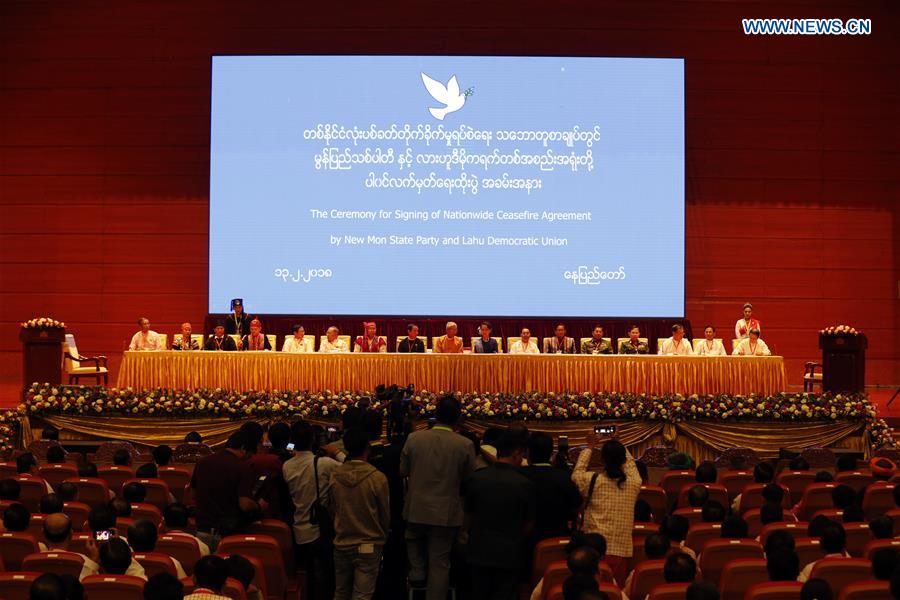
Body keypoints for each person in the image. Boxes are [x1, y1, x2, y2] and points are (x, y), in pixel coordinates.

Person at [400, 395, 475, 600]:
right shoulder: (464, 444)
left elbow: (402, 470)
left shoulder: (414, 438)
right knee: (440, 565)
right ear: (458, 417)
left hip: (416, 509)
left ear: (435, 414)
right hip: (445, 514)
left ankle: (417, 574)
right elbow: (469, 477)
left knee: (413, 543)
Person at [464, 430, 536, 600]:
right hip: (509, 554)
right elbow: (529, 523)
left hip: (478, 550)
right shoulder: (524, 483)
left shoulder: (477, 478)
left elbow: (467, 515)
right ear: (517, 453)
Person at [572, 434, 641, 585]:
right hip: (621, 551)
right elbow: (631, 466)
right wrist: (619, 442)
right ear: (623, 460)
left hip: (593, 550)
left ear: (602, 459)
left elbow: (576, 473)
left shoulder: (591, 480)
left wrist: (589, 447)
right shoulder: (635, 482)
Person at [329, 428, 390, 600]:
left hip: (342, 541)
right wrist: (382, 536)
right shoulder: (377, 478)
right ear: (368, 448)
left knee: (341, 592)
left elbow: (332, 509)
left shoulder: (335, 475)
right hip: (369, 544)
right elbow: (385, 515)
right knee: (362, 595)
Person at [283, 421, 341, 600]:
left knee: (307, 575)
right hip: (319, 529)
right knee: (322, 576)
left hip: (299, 528)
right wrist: (336, 452)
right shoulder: (324, 463)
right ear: (313, 440)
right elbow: (354, 469)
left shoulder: (287, 466)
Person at [190, 431, 258, 547]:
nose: (249, 458)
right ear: (243, 448)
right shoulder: (242, 466)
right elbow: (245, 504)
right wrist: (258, 506)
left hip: (203, 529)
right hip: (228, 532)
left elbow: (192, 493)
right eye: (249, 454)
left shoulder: (203, 462)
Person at [520, 432, 582, 543]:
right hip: (557, 538)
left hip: (523, 540)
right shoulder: (564, 477)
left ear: (527, 453)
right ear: (551, 453)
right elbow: (577, 504)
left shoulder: (518, 475)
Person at [39, 513, 99, 580]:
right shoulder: (83, 562)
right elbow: (87, 583)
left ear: (43, 535)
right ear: (71, 534)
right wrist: (94, 560)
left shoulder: (33, 562)